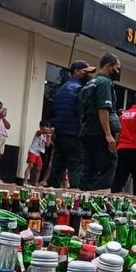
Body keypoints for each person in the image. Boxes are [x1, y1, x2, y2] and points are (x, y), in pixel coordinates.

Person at [77, 53, 121, 191]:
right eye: (117, 68)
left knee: (88, 170)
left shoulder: (89, 83)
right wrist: (108, 134)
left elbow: (81, 112)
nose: (118, 72)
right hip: (99, 132)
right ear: (109, 67)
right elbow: (103, 109)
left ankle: (83, 203)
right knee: (108, 165)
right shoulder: (105, 83)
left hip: (87, 131)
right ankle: (99, 200)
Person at [48, 60, 95, 188]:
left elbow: (55, 112)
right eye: (85, 72)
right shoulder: (80, 89)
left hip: (60, 134)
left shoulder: (61, 89)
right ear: (76, 71)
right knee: (76, 168)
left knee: (57, 169)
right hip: (74, 135)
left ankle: (51, 199)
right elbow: (82, 114)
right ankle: (76, 203)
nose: (88, 75)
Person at [24, 121, 52, 186]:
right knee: (30, 165)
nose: (47, 128)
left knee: (39, 168)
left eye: (48, 127)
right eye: (46, 127)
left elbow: (47, 145)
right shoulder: (38, 132)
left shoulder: (46, 135)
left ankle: (36, 183)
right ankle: (25, 181)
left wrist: (49, 136)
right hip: (33, 151)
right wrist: (48, 131)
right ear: (41, 127)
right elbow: (40, 132)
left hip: (38, 153)